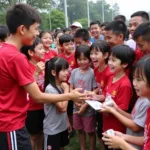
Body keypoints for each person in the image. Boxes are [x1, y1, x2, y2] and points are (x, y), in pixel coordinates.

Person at [0, 3, 86, 150]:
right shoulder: (15, 57)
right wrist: (70, 95)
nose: (37, 33)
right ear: (22, 29)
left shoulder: (3, 51)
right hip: (11, 125)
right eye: (36, 29)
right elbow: (38, 96)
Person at [102, 55, 150, 150]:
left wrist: (121, 144)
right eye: (134, 78)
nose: (134, 83)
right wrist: (124, 137)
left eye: (139, 80)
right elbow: (146, 138)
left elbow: (135, 126)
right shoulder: (143, 100)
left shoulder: (146, 102)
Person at [102, 45, 135, 149]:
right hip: (107, 122)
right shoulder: (111, 77)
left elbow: (122, 109)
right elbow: (106, 97)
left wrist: (107, 110)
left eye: (114, 60)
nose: (109, 63)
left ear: (124, 64)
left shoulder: (125, 84)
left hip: (117, 128)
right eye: (110, 59)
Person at [69, 45, 97, 150]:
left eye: (85, 59)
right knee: (79, 130)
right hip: (76, 107)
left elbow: (96, 89)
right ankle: (82, 148)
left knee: (90, 131)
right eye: (79, 59)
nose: (82, 62)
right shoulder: (74, 72)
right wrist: (74, 100)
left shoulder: (92, 72)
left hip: (88, 108)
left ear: (89, 59)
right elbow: (71, 87)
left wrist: (86, 103)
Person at [21, 37, 45, 150]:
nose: (44, 50)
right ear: (30, 52)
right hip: (31, 108)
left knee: (41, 133)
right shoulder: (25, 66)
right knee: (33, 136)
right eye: (40, 48)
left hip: (43, 105)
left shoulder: (43, 64)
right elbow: (27, 88)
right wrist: (36, 72)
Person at [43, 57, 72, 150]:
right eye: (63, 70)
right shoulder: (50, 89)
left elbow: (64, 108)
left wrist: (67, 121)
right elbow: (62, 108)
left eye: (67, 69)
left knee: (61, 147)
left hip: (62, 126)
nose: (67, 72)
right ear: (54, 72)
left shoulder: (61, 85)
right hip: (52, 130)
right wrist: (67, 90)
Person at [90, 40, 112, 150]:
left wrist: (93, 96)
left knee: (107, 134)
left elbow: (108, 94)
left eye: (96, 53)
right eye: (91, 53)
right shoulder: (96, 69)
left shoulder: (109, 72)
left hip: (108, 108)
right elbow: (100, 87)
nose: (93, 56)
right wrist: (92, 93)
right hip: (99, 106)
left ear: (106, 55)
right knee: (101, 132)